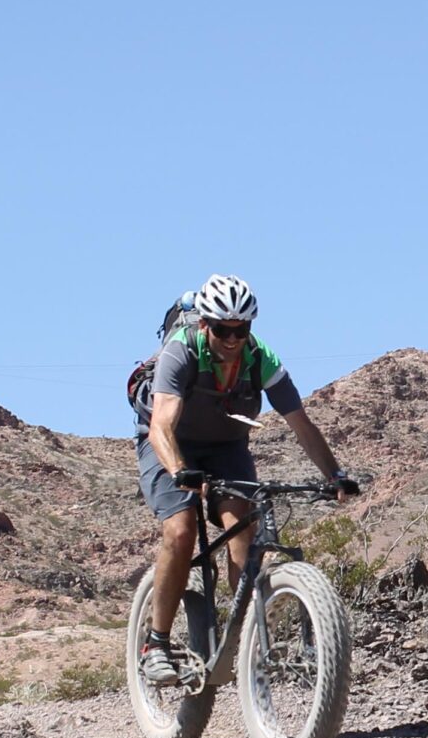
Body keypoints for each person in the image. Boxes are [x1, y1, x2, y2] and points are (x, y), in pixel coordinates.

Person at [137, 275, 356, 682]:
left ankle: (245, 647)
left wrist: (335, 474)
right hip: (170, 445)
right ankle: (156, 643)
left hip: (226, 446)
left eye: (242, 329)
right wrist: (180, 470)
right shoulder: (180, 353)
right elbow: (161, 424)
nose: (233, 338)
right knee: (182, 531)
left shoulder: (261, 359)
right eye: (223, 329)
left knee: (243, 537)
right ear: (205, 324)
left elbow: (301, 424)